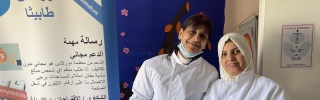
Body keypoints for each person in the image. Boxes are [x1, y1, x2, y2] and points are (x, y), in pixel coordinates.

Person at [129, 13, 219, 100]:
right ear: (180, 34)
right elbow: (139, 98)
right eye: (192, 32)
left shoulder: (210, 73)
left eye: (202, 36)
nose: (196, 39)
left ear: (206, 43)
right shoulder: (151, 65)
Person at [203, 33, 289, 100]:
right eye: (224, 54)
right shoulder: (214, 88)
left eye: (236, 51)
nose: (230, 58)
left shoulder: (271, 89)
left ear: (247, 54)